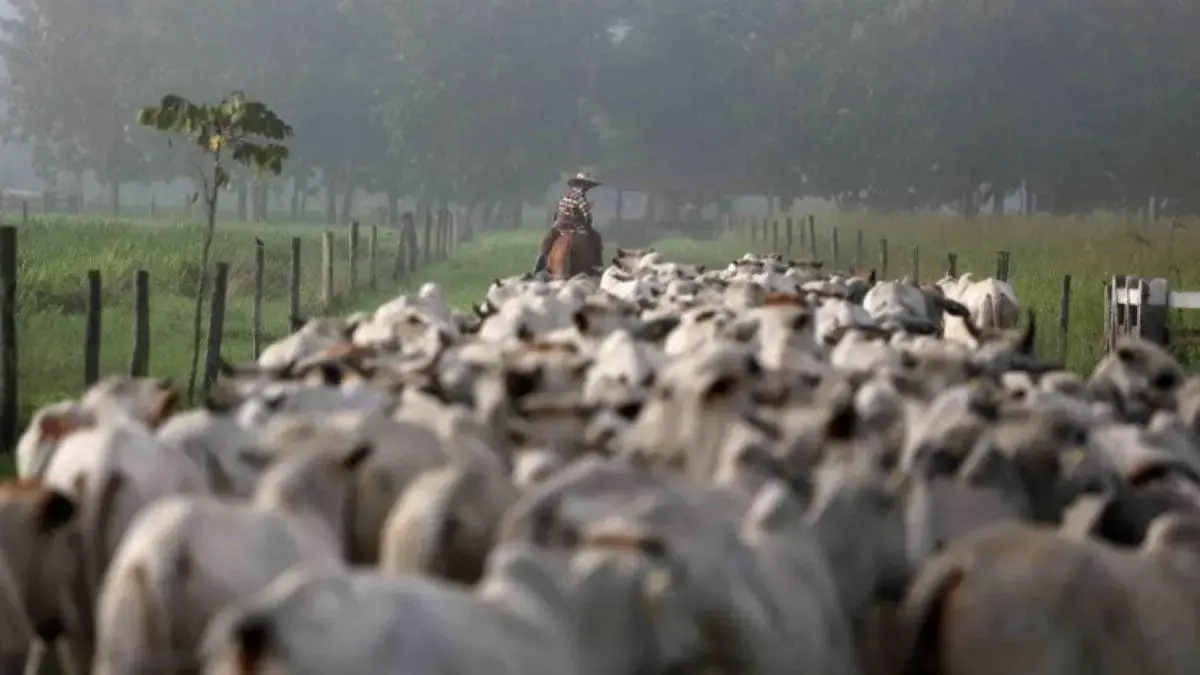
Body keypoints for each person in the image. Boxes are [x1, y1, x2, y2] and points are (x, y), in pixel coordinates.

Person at [534, 172, 603, 273]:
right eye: (587, 185)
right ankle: (596, 264)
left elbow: (558, 212)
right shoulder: (580, 197)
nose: (588, 188)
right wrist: (589, 221)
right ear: (584, 185)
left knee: (546, 242)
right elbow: (586, 215)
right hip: (576, 225)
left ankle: (538, 265)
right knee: (596, 237)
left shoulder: (564, 197)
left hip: (559, 225)